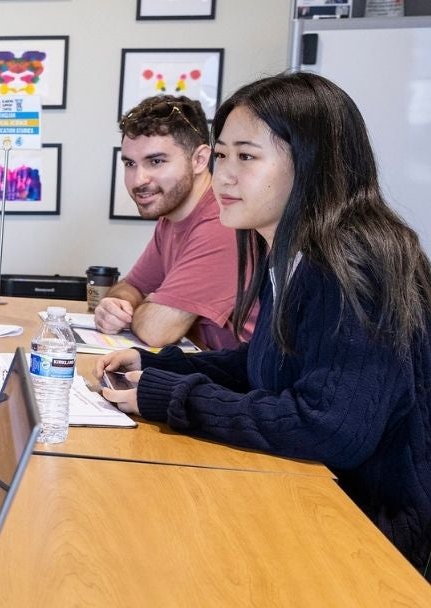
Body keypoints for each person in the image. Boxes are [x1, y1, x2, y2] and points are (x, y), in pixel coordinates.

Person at [98, 72, 431, 570]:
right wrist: (159, 367)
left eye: (246, 157)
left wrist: (169, 396)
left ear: (312, 163)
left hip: (377, 536)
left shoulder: (357, 260)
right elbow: (266, 363)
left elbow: (327, 427)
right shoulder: (290, 249)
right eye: (223, 155)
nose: (225, 176)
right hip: (322, 498)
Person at [94, 95, 254, 349]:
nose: (138, 180)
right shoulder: (172, 217)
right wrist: (115, 305)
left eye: (156, 161)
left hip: (243, 384)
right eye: (129, 164)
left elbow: (156, 330)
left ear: (199, 159)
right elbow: (131, 286)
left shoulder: (224, 221)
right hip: (205, 371)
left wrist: (144, 308)